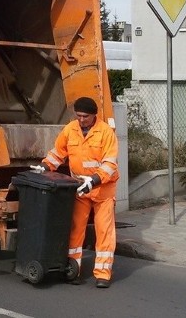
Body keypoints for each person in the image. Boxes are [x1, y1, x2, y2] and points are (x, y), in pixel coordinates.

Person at [38, 96, 119, 288]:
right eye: (79, 115)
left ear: (94, 116)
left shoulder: (105, 132)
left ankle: (103, 274)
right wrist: (45, 166)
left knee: (104, 231)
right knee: (75, 229)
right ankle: (72, 268)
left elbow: (110, 163)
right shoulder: (70, 129)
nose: (81, 119)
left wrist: (95, 180)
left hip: (103, 189)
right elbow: (58, 153)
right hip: (81, 187)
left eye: (85, 116)